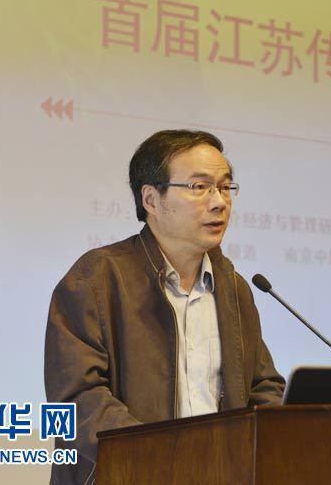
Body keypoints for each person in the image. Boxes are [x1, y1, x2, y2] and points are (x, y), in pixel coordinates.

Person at [44, 129, 285, 485]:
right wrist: (166, 461)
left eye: (225, 187)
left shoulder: (234, 288)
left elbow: (262, 386)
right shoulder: (97, 279)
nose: (219, 202)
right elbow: (76, 398)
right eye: (199, 187)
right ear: (151, 199)